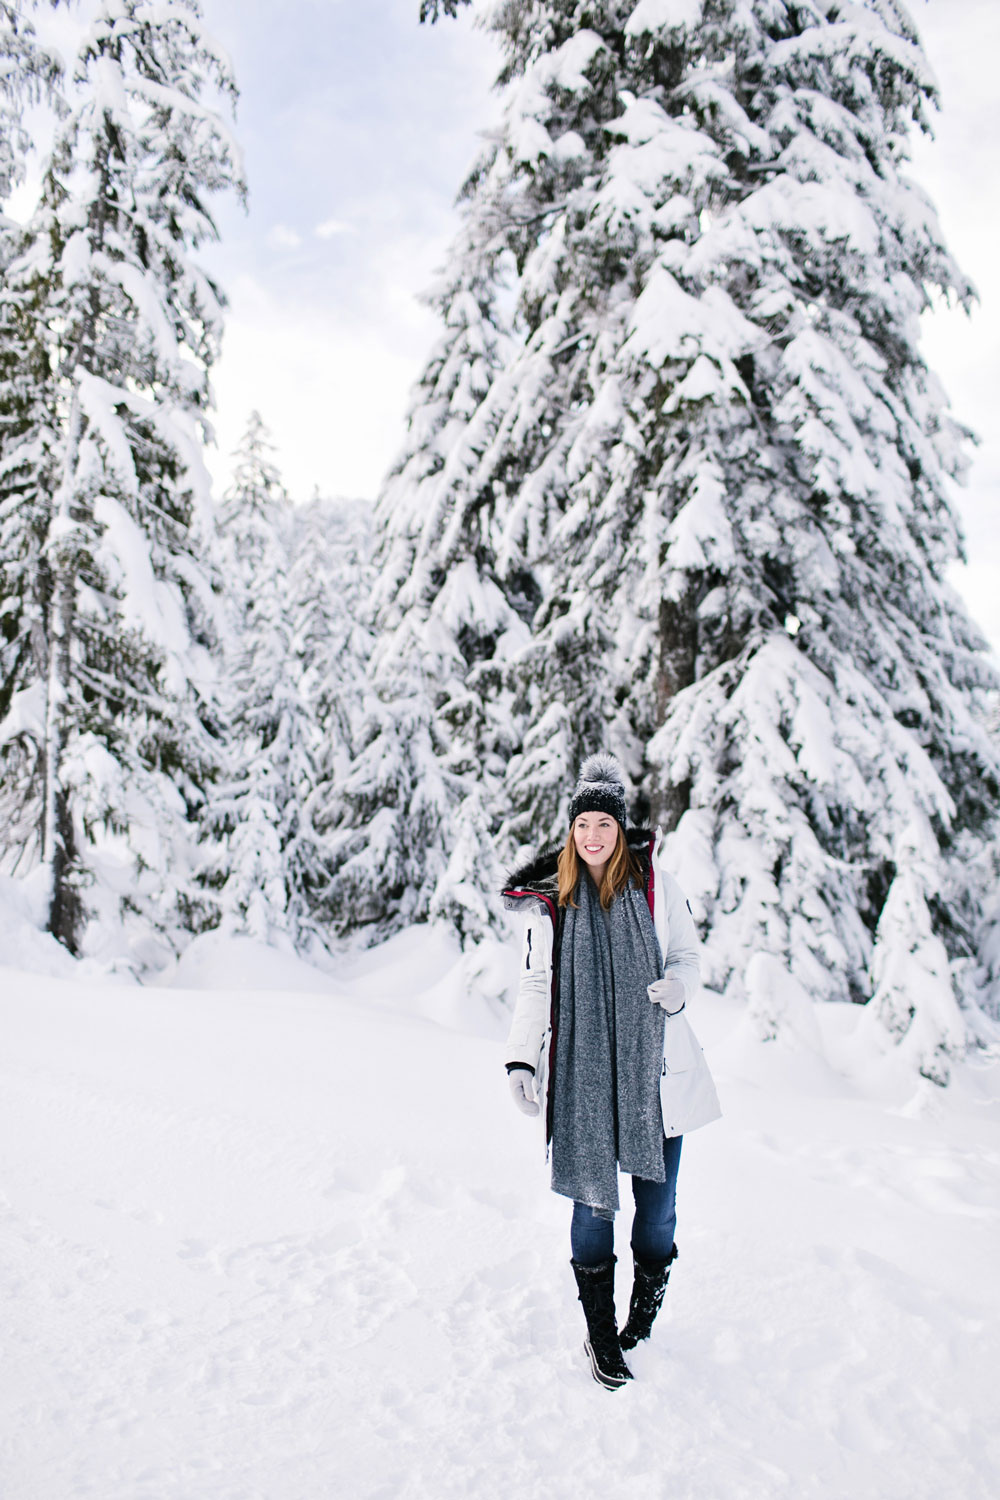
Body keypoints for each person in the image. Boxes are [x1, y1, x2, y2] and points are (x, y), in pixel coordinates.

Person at [502, 753, 720, 1391]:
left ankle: (641, 1322)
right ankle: (601, 1337)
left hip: (655, 1072)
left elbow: (688, 957)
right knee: (595, 1205)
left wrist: (677, 988)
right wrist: (522, 1057)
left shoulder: (659, 887)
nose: (593, 835)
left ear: (621, 829)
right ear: (570, 831)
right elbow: (537, 982)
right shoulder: (555, 904)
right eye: (582, 824)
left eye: (604, 823)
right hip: (584, 1076)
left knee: (656, 1214)